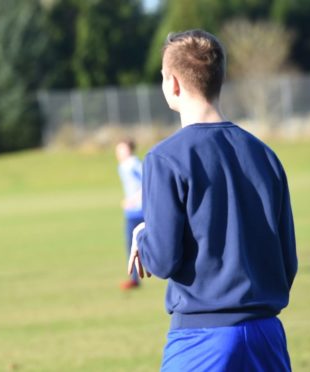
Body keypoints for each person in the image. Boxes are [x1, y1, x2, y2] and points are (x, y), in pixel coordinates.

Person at [127, 29, 297, 371]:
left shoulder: (164, 159)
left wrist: (142, 237)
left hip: (203, 338)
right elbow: (287, 261)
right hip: (267, 335)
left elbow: (161, 260)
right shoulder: (265, 155)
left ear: (173, 84)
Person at [115, 138, 144, 290]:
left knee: (140, 245)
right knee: (131, 245)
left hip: (141, 211)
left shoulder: (133, 164)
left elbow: (147, 183)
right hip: (131, 212)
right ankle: (134, 279)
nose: (119, 153)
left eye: (122, 149)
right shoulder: (122, 166)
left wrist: (132, 199)